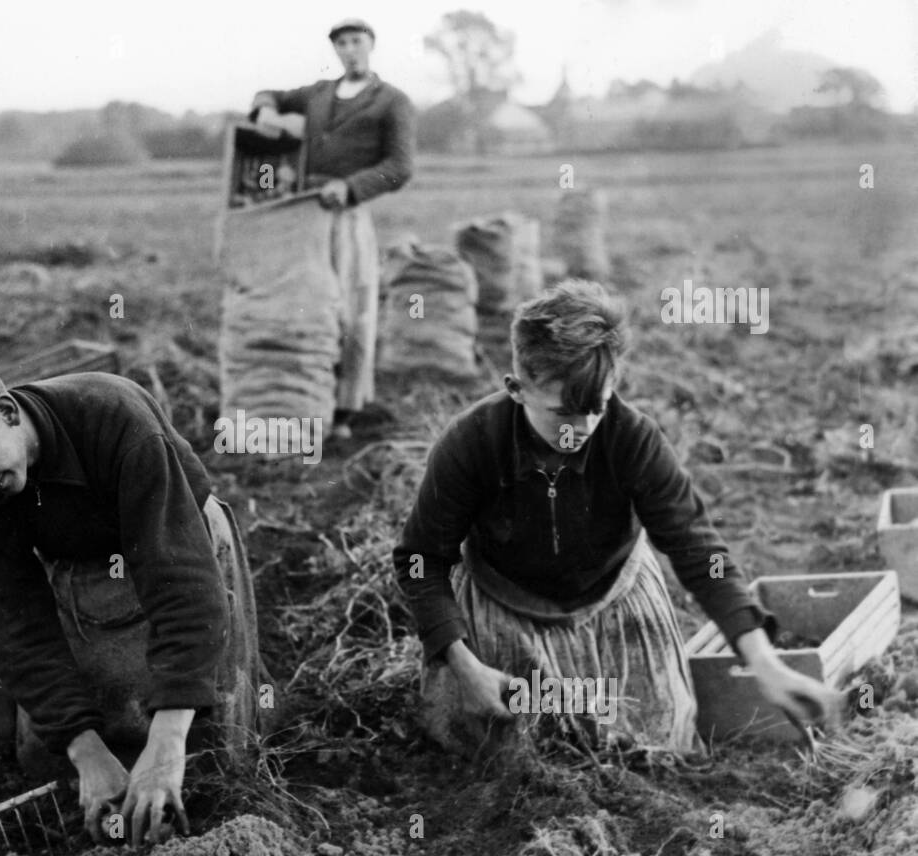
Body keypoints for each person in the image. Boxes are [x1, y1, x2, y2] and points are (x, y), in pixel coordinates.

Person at [393, 280, 840, 756]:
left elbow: (699, 551)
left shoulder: (633, 439)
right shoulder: (471, 442)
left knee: (650, 743)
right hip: (504, 607)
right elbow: (421, 558)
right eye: (563, 413)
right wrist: (463, 664)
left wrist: (764, 664)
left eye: (596, 408)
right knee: (498, 746)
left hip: (613, 602)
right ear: (517, 389)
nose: (583, 429)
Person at [0, 344, 273, 845]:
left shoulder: (116, 419)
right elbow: (13, 617)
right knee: (59, 758)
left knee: (206, 754)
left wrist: (169, 737)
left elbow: (182, 586)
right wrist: (86, 750)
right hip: (79, 562)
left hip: (180, 543)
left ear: (6, 412)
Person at [249, 17, 414, 439]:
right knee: (307, 303)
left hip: (348, 214)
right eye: (341, 43)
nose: (349, 49)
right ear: (335, 51)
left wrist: (352, 186)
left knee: (352, 309)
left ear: (371, 45)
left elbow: (400, 167)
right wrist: (266, 109)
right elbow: (269, 93)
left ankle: (345, 409)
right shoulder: (318, 95)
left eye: (356, 41)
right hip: (305, 214)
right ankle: (307, 401)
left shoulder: (391, 101)